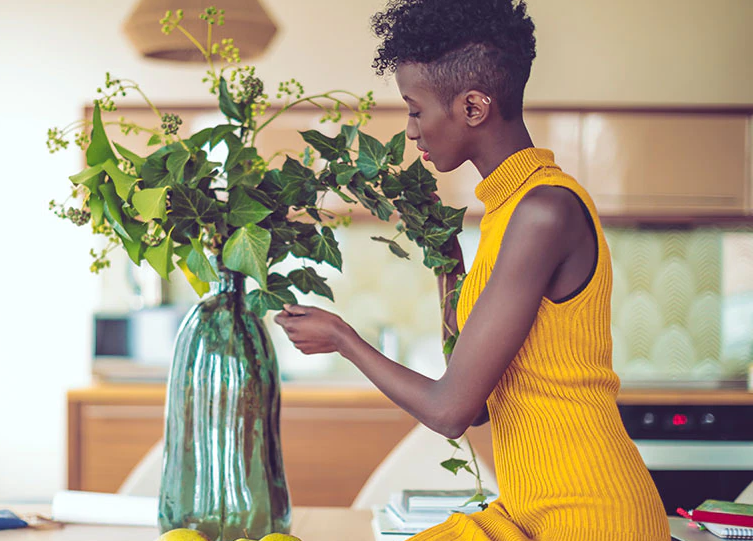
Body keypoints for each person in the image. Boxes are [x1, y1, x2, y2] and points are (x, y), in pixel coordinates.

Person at [273, 0, 670, 539]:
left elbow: (451, 411)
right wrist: (448, 270)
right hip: (529, 513)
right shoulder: (507, 213)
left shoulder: (542, 212)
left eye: (415, 110)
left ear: (474, 107)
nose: (411, 131)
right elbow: (481, 406)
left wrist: (344, 339)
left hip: (588, 515)